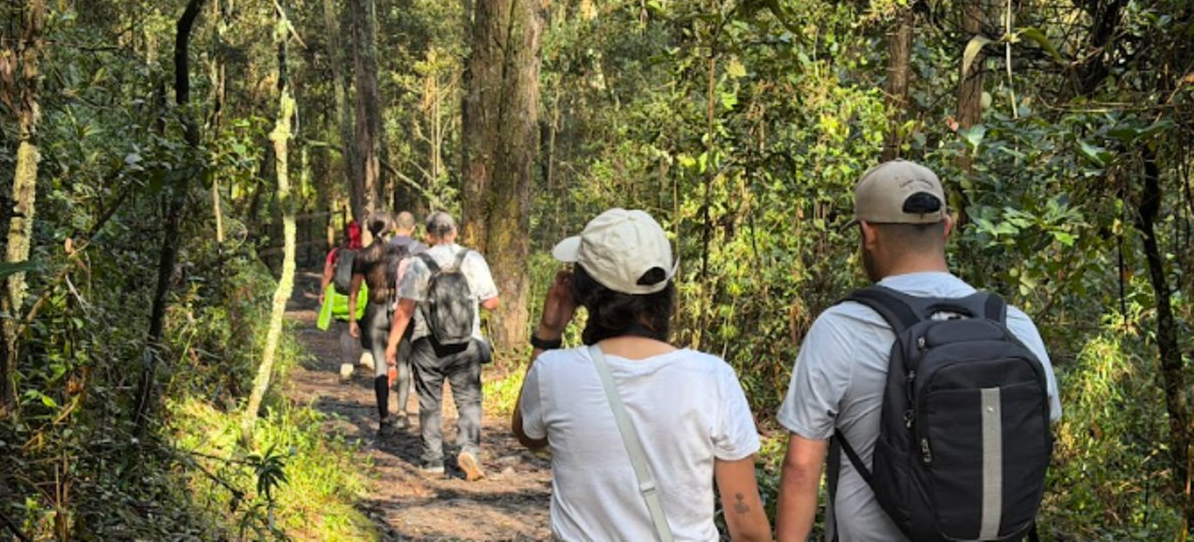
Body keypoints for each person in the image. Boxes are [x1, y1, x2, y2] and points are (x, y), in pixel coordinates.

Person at [775, 160, 1062, 542]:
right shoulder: (1013, 325)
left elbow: (801, 468)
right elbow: (1036, 437)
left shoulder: (841, 329)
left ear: (868, 233)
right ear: (947, 227)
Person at [511, 208, 772, 542]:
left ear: (584, 291)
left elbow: (528, 434)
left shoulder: (554, 373)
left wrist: (548, 333)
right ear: (664, 291)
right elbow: (747, 526)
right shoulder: (712, 378)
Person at [385, 211, 498, 478]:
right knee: (469, 400)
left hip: (427, 344)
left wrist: (392, 346)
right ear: (455, 232)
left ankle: (432, 460)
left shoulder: (418, 263)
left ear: (428, 236)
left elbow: (405, 309)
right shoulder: (473, 259)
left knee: (430, 402)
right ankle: (469, 449)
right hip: (467, 341)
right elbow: (492, 303)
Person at [348, 212, 420, 438]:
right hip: (398, 309)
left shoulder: (362, 256)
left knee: (380, 364)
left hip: (374, 309)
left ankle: (383, 417)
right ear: (390, 228)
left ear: (369, 229)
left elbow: (354, 291)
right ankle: (401, 411)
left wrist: (352, 319)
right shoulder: (400, 252)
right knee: (403, 362)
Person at [387, 210, 427, 429]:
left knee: (391, 360)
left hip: (387, 309)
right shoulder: (421, 250)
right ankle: (410, 411)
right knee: (410, 361)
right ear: (413, 228)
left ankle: (391, 412)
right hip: (414, 312)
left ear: (394, 225)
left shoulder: (383, 248)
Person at [318, 220, 365, 381]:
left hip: (339, 294)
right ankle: (367, 353)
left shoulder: (336, 253)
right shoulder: (364, 252)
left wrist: (323, 291)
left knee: (345, 331)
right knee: (364, 324)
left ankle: (346, 365)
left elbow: (327, 273)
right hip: (361, 295)